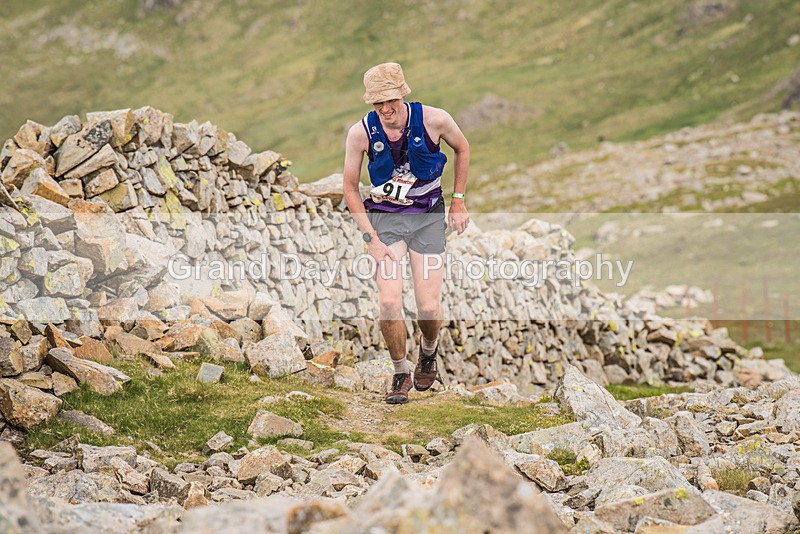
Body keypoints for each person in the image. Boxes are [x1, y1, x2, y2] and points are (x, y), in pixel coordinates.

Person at [342, 62, 470, 404]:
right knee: (388, 301)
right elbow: (350, 187)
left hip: (428, 217)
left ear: (403, 95)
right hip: (385, 221)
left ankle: (428, 353)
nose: (385, 109)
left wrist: (458, 200)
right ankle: (400, 373)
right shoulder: (361, 133)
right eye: (377, 104)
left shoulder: (435, 119)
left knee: (428, 306)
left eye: (390, 102)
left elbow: (463, 148)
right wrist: (369, 237)